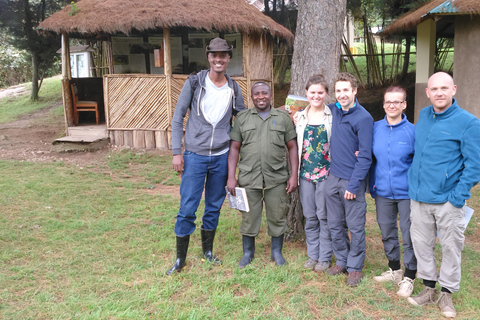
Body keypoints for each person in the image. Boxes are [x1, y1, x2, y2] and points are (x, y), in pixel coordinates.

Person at [167, 38, 246, 275]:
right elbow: (178, 116)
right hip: (194, 156)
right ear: (208, 57)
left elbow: (242, 119)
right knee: (188, 207)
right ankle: (180, 259)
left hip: (221, 156)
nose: (219, 59)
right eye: (214, 55)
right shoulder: (194, 83)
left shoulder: (233, 87)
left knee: (213, 206)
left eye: (223, 55)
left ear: (228, 58)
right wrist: (176, 152)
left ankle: (207, 252)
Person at [406, 72, 480, 318]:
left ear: (454, 90)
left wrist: (457, 197)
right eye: (434, 89)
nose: (439, 93)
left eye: (444, 88)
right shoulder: (424, 115)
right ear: (427, 92)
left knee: (450, 247)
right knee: (422, 244)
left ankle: (446, 293)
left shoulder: (468, 122)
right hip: (418, 197)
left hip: (448, 200)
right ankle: (428, 289)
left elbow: (475, 165)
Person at [227, 82, 298, 268]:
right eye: (257, 94)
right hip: (249, 176)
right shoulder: (242, 118)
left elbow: (292, 148)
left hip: (276, 177)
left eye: (264, 93)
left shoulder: (283, 118)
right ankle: (248, 253)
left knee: (277, 214)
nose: (261, 97)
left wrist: (294, 176)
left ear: (270, 95)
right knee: (249, 215)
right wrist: (231, 176)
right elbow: (234, 148)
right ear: (251, 97)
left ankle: (277, 252)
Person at [324, 72, 373, 286]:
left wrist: (353, 185)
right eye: (338, 91)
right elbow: (308, 105)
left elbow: (365, 156)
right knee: (335, 225)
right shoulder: (334, 110)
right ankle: (342, 261)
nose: (342, 95)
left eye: (346, 90)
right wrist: (296, 113)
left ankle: (355, 267)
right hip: (332, 178)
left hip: (351, 181)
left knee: (355, 227)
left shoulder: (363, 118)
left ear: (354, 90)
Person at [370, 86, 417, 297]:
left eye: (397, 102)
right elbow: (368, 157)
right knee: (387, 232)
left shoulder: (412, 131)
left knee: (409, 235)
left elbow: (419, 162)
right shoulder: (375, 128)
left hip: (407, 193)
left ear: (404, 105)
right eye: (388, 102)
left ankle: (409, 277)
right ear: (383, 104)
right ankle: (394, 270)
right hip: (382, 192)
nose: (392, 105)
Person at [295, 74, 333, 272]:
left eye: (320, 92)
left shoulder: (332, 116)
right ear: (306, 93)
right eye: (312, 92)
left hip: (327, 174)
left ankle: (325, 256)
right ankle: (313, 255)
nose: (316, 96)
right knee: (310, 216)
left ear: (326, 93)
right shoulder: (300, 116)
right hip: (305, 175)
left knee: (324, 216)